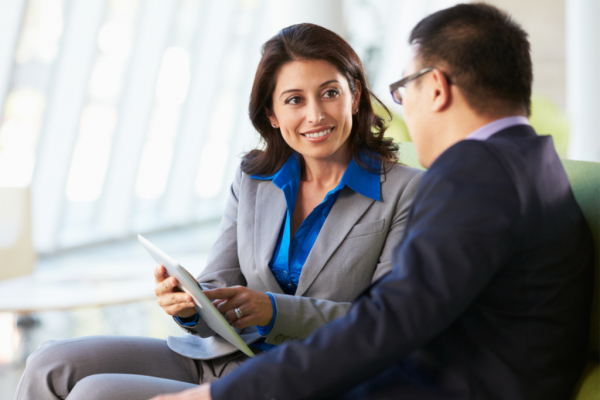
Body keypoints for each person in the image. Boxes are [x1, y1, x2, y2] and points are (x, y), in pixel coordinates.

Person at [151, 3, 594, 400]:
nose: (405, 110)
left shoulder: (475, 177)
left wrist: (222, 396)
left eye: (405, 91)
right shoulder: (535, 162)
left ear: (435, 88)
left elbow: (386, 322)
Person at [13, 24, 423, 400]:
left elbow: (384, 321)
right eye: (294, 100)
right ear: (272, 116)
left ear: (354, 94)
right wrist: (191, 305)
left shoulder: (406, 190)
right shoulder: (254, 179)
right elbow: (219, 283)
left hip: (306, 376)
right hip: (222, 357)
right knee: (49, 363)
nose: (315, 114)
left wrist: (274, 310)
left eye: (330, 92)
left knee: (98, 394)